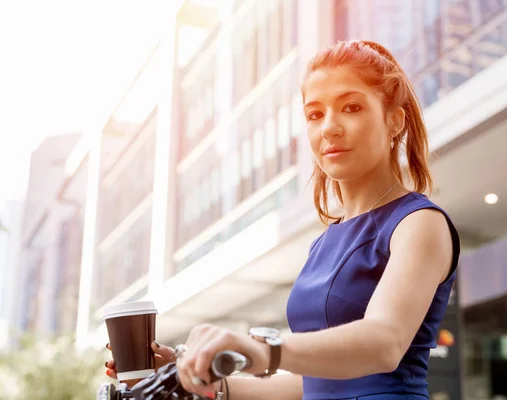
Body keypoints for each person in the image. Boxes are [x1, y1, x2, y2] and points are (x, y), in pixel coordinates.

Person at [105, 39, 460, 400]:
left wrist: (264, 349)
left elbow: (385, 342)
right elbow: (306, 385)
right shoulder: (323, 243)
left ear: (394, 121)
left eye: (351, 107)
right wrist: (193, 378)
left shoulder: (419, 223)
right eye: (315, 114)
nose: (329, 128)